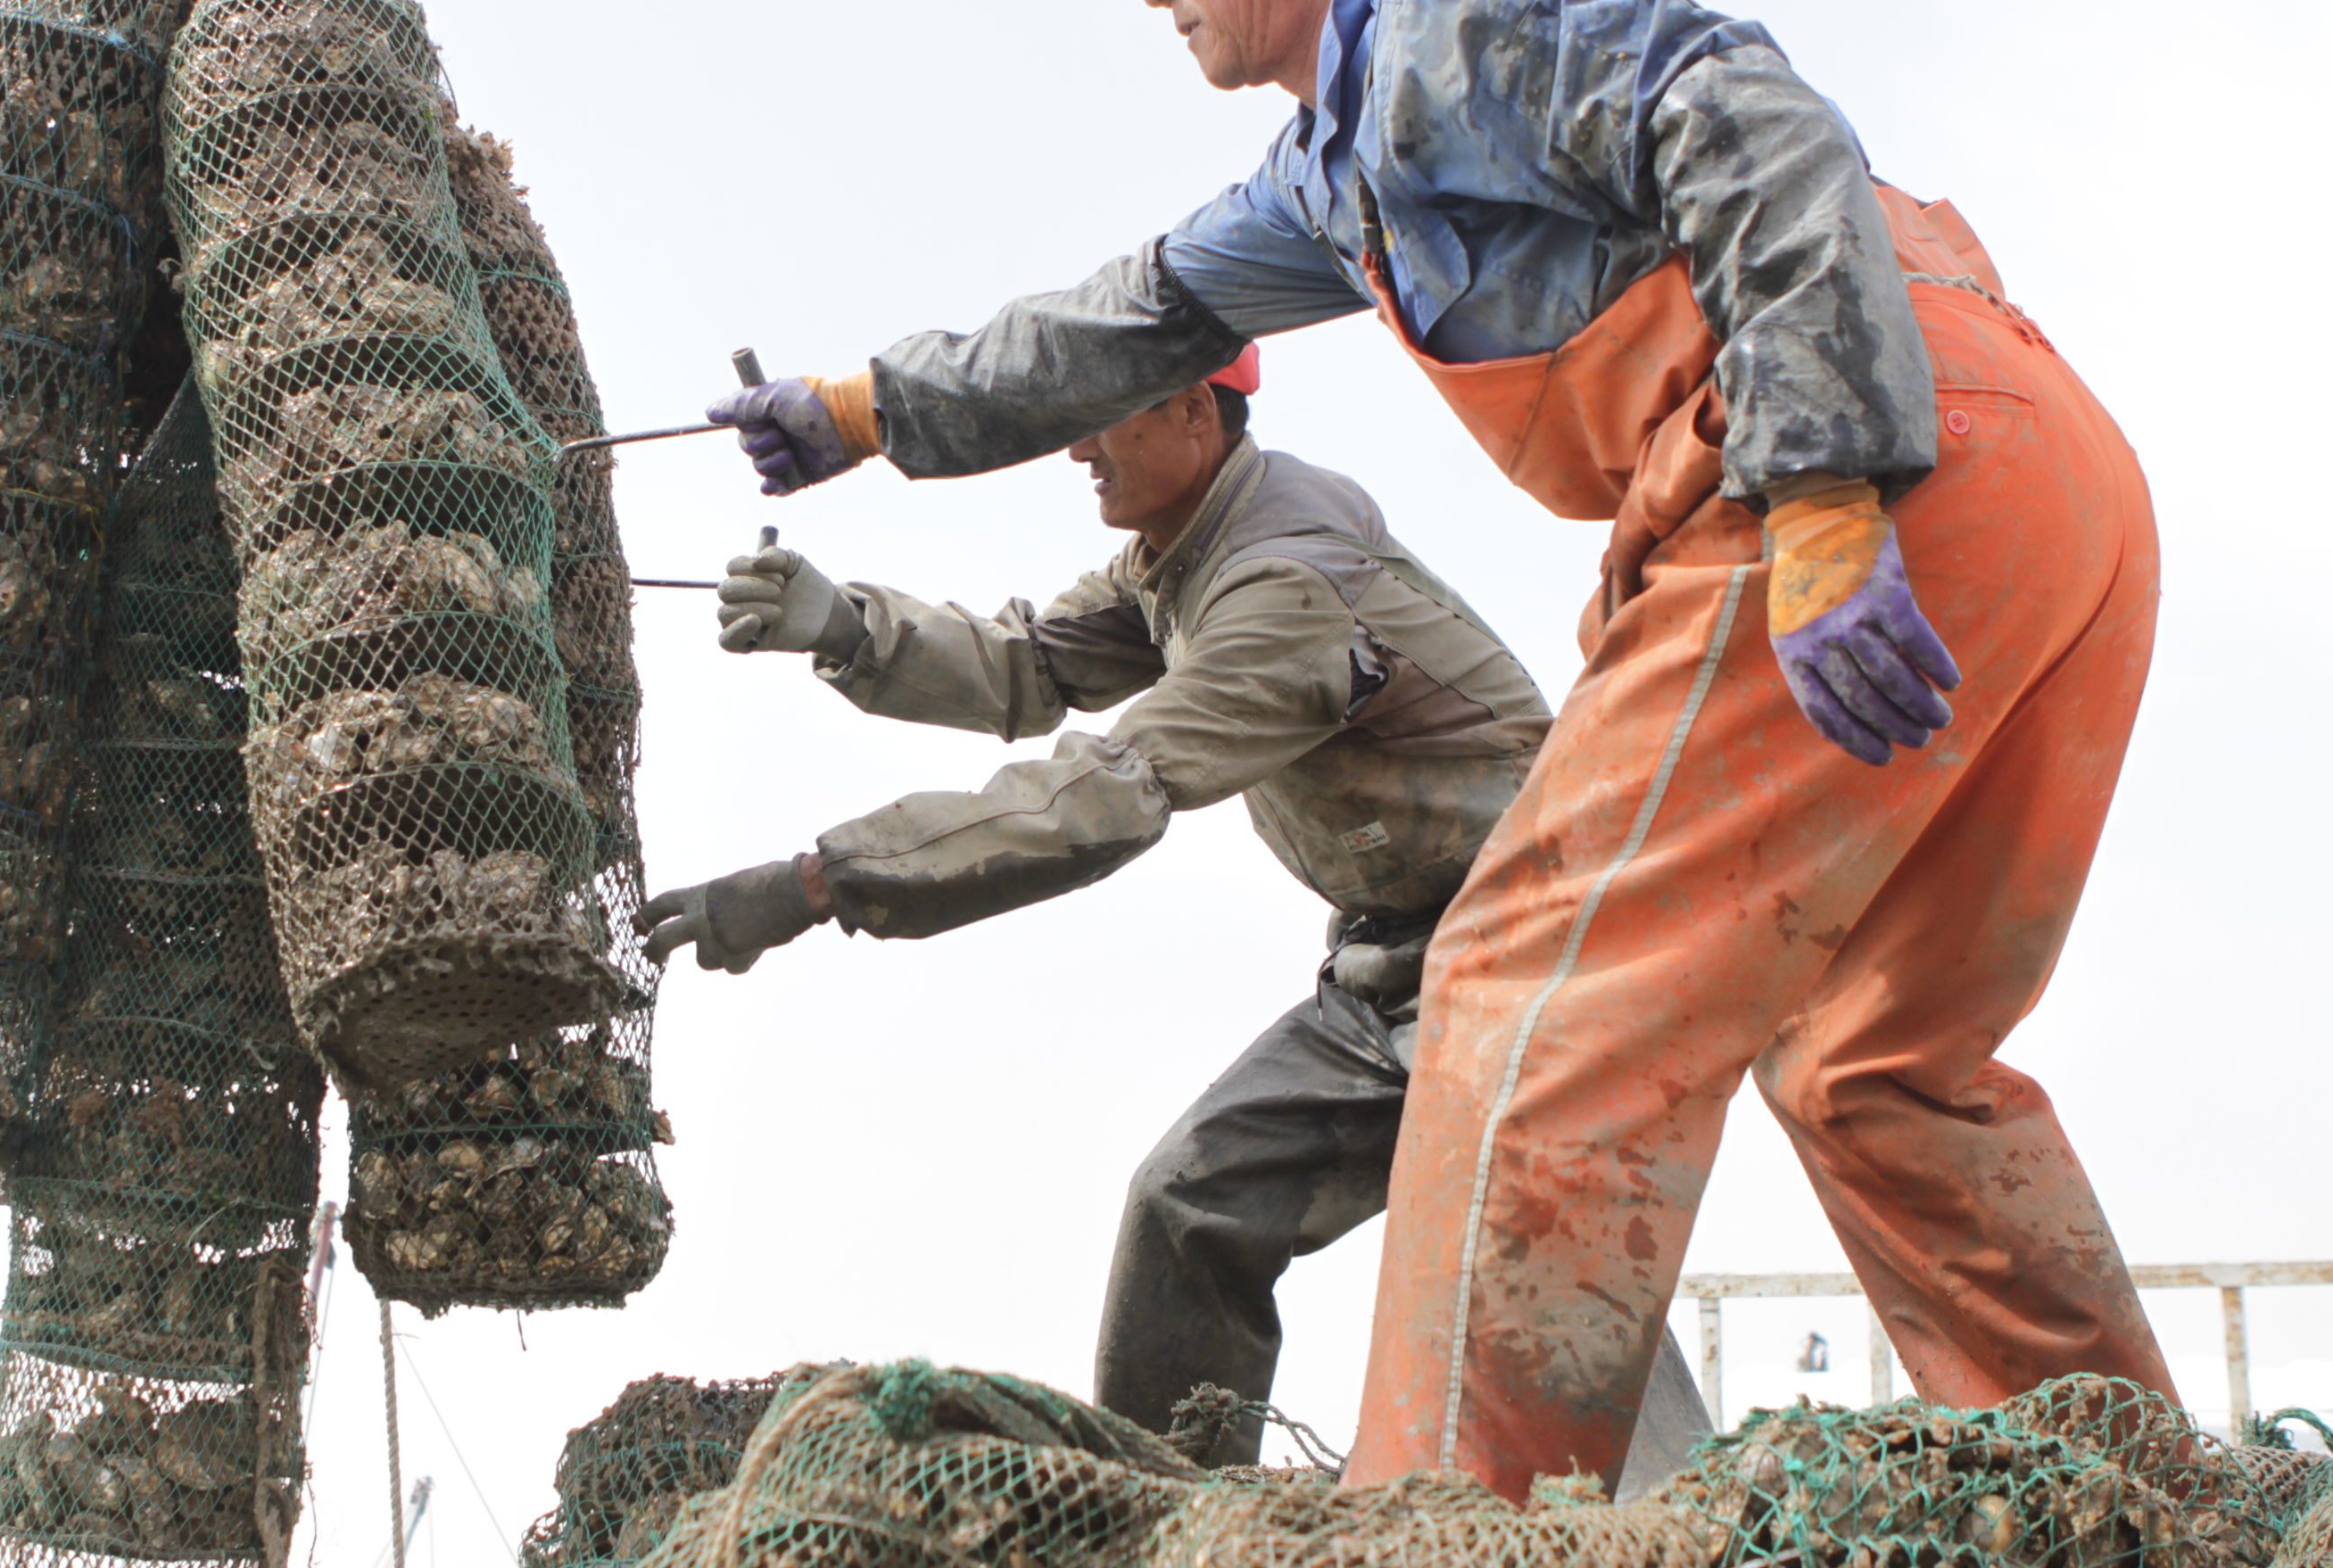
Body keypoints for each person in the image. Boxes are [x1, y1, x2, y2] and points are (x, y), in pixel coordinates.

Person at [696, 0, 2172, 1496]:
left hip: (1866, 471)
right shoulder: (1335, 182)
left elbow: (1753, 126)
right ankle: (2130, 1502)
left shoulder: (1463, 2)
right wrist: (859, 412)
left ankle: (1451, 1531)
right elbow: (1117, 324)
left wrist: (1833, 488)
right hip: (2043, 489)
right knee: (1878, 1057)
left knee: (1523, 999)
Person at [640, 349, 1712, 1477]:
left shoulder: (1284, 586)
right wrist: (850, 627)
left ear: (1197, 410)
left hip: (1532, 948)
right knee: (1191, 1206)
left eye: (1102, 420)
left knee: (1527, 1235)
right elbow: (1033, 665)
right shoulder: (1179, 559)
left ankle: (1680, 1531)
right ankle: (1168, 1519)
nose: (1076, 448)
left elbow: (1107, 793)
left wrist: (818, 883)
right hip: (1395, 970)